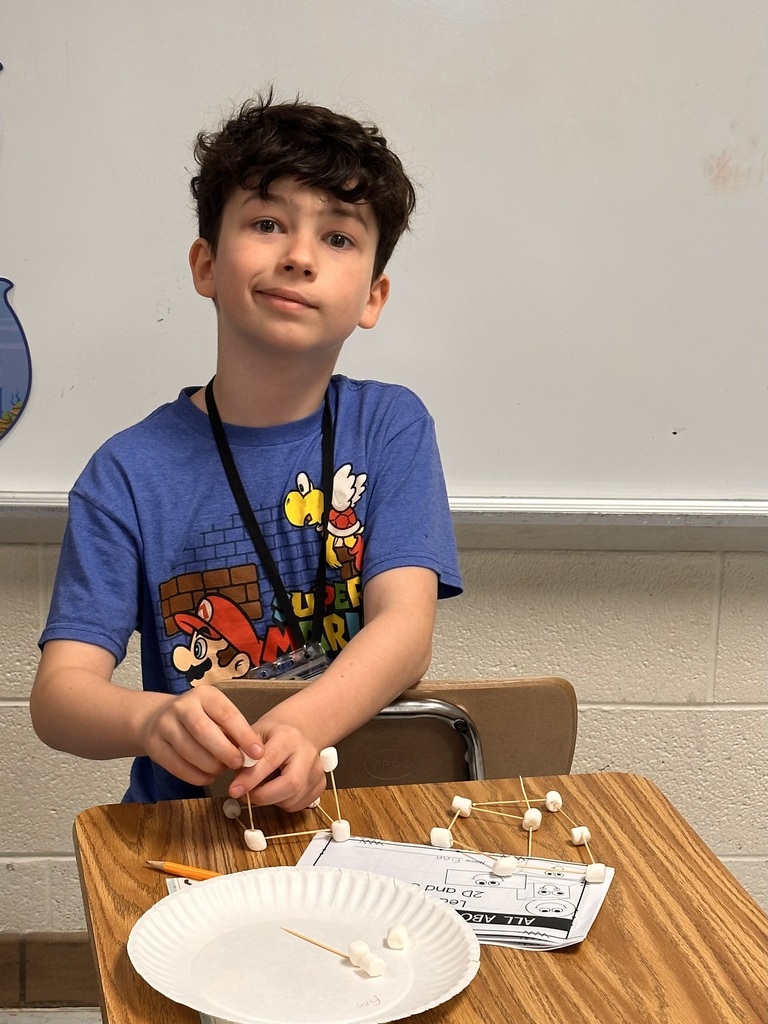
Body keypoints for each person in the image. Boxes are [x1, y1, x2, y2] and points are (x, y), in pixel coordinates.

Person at [31, 92, 461, 811]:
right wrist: (152, 719)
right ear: (205, 265)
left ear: (372, 297)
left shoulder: (390, 425)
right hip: (188, 827)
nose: (298, 256)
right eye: (267, 223)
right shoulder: (127, 473)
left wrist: (300, 724)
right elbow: (59, 696)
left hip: (356, 822)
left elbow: (406, 630)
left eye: (339, 238)